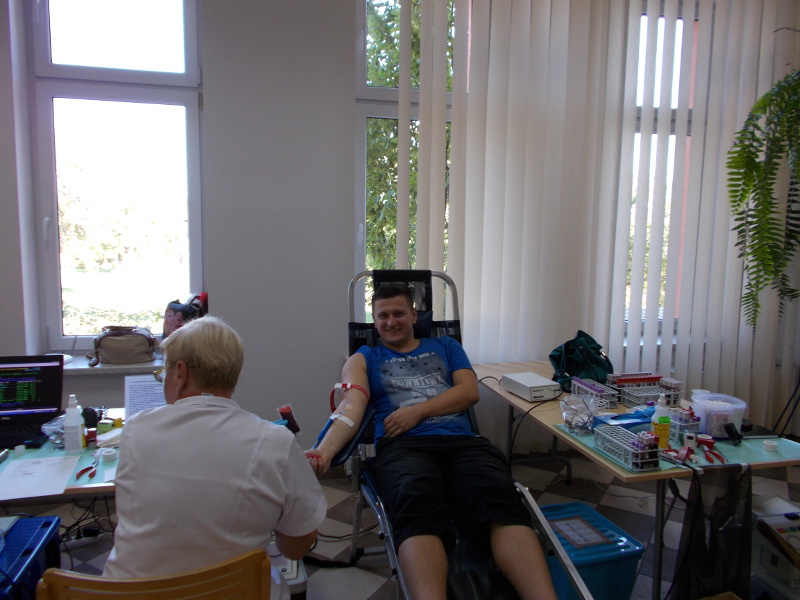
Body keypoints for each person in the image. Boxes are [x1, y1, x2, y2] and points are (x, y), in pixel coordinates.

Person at [306, 284, 557, 600]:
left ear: (414, 315)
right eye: (383, 316)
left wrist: (417, 412)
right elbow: (351, 406)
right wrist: (324, 451)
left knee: (499, 499)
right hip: (403, 447)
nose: (391, 322)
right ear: (375, 321)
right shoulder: (363, 358)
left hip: (462, 443)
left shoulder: (446, 345)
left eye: (399, 313)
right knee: (416, 501)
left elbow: (469, 392)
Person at [104, 315, 327, 600]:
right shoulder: (276, 442)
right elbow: (296, 547)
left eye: (164, 372)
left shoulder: (135, 429)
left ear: (180, 372)